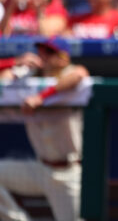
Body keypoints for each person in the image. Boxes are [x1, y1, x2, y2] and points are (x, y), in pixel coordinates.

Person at [0, 38, 89, 221]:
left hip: (68, 172)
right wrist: (15, 67)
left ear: (64, 58)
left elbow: (79, 74)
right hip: (40, 168)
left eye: (49, 52)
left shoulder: (70, 74)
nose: (43, 56)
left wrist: (41, 98)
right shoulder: (31, 76)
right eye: (41, 51)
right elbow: (4, 79)